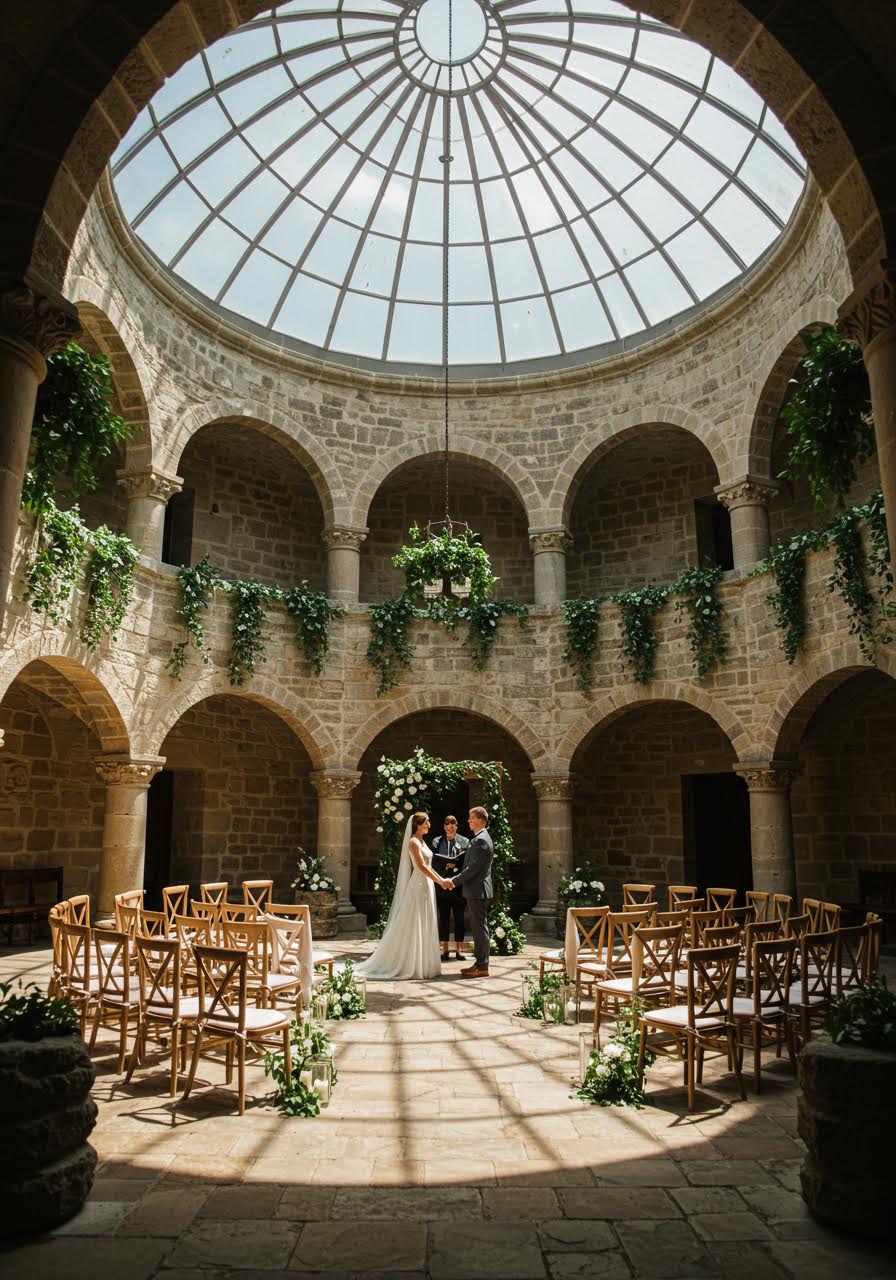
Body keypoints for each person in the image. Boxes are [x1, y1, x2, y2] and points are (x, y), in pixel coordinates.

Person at [355, 812, 453, 981]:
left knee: (426, 920)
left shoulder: (423, 841)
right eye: (426, 823)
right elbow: (421, 867)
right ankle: (413, 964)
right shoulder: (413, 842)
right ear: (417, 825)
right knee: (415, 921)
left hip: (427, 884)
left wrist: (439, 881)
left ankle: (426, 964)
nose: (429, 825)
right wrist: (441, 881)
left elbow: (428, 866)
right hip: (419, 885)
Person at [445, 806, 493, 978]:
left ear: (480, 820)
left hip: (477, 890)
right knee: (478, 928)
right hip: (475, 890)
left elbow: (473, 869)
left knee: (480, 929)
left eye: (471, 818)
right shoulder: (480, 838)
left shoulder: (481, 840)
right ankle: (479, 963)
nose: (468, 821)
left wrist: (454, 881)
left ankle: (482, 966)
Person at [431, 815, 470, 962]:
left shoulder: (465, 841)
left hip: (458, 886)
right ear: (444, 826)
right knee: (444, 920)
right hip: (442, 885)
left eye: (453, 823)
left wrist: (456, 866)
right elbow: (433, 862)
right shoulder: (437, 841)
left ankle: (459, 950)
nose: (450, 826)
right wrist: (443, 876)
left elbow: (467, 863)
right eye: (447, 823)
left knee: (460, 920)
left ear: (457, 826)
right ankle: (444, 951)